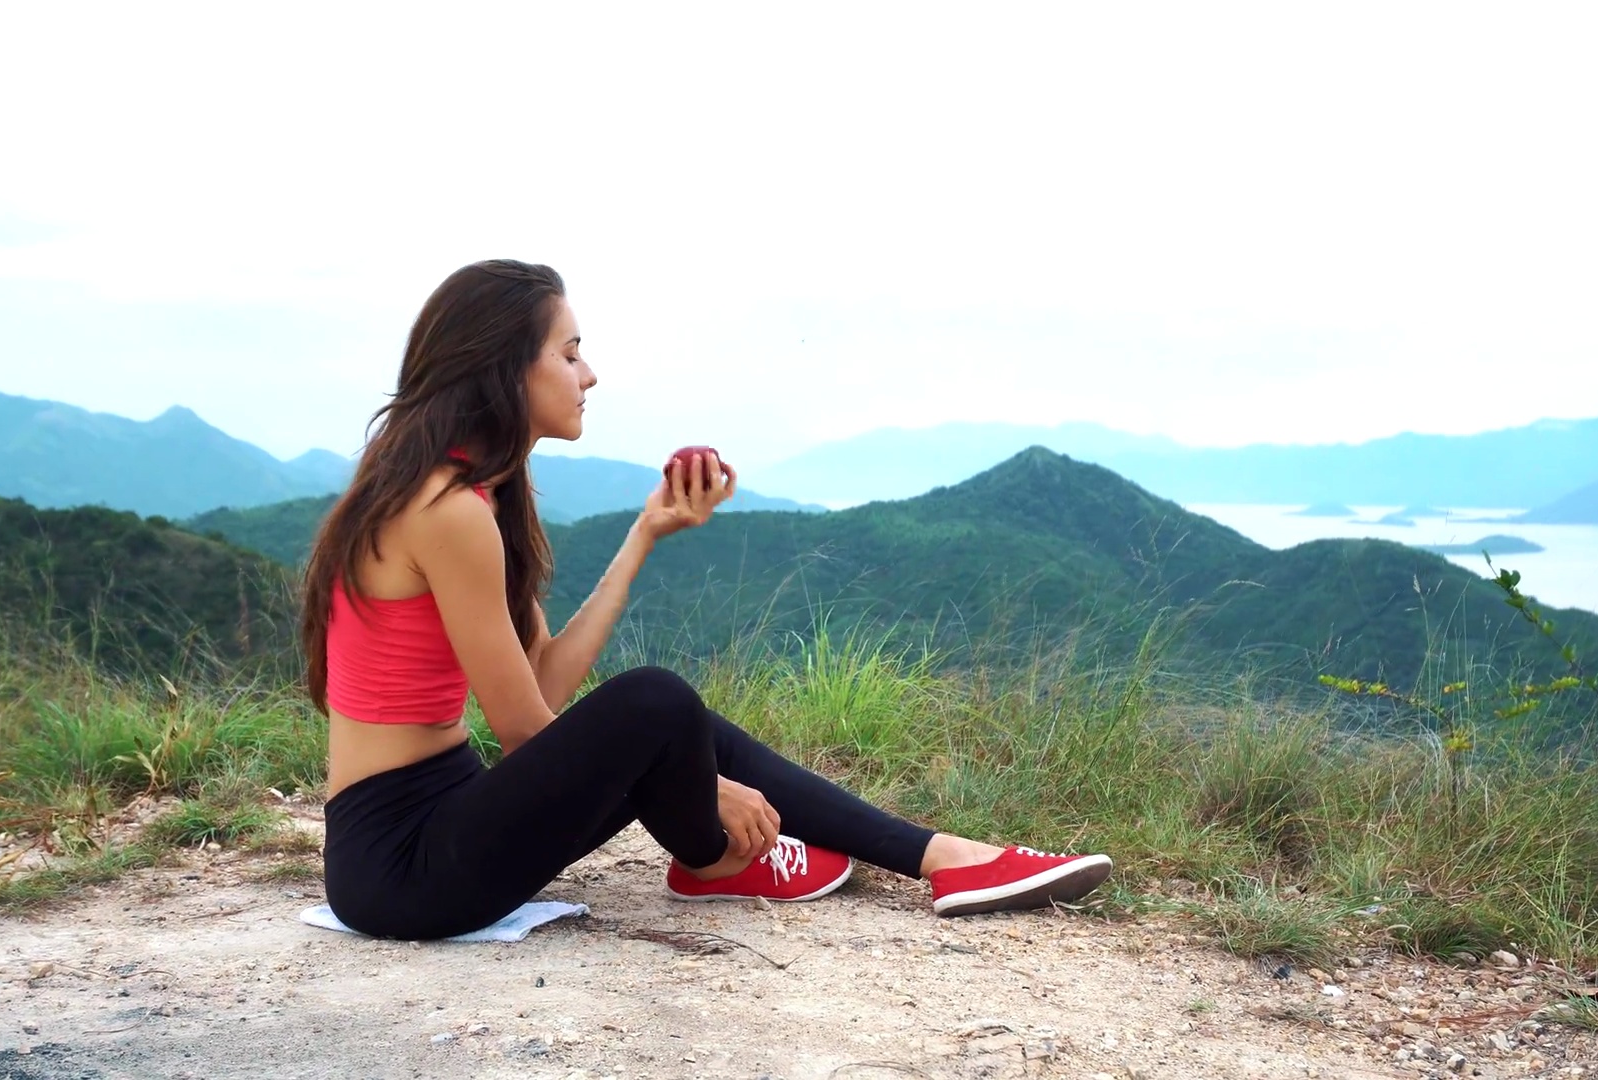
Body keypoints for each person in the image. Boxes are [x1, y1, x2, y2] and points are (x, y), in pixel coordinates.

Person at [300, 259, 1113, 941]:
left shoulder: (481, 498)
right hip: (398, 868)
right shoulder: (445, 510)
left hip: (449, 822)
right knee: (656, 703)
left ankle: (939, 857)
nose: (590, 374)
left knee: (675, 719)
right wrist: (699, 791)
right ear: (505, 368)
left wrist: (643, 536)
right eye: (571, 352)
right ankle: (720, 855)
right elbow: (522, 732)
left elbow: (542, 687)